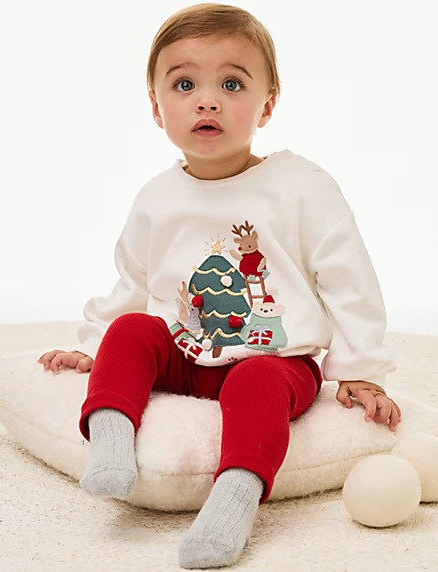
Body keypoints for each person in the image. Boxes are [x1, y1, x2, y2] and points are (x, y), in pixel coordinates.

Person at [38, 3, 401, 569]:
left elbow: (348, 279)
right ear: (157, 108)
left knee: (256, 381)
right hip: (186, 352)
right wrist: (96, 344)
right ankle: (110, 443)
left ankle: (234, 498)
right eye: (184, 84)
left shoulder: (300, 186)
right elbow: (133, 278)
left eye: (231, 84)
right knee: (132, 328)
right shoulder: (157, 197)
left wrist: (360, 368)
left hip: (276, 359)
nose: (207, 100)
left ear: (267, 105)